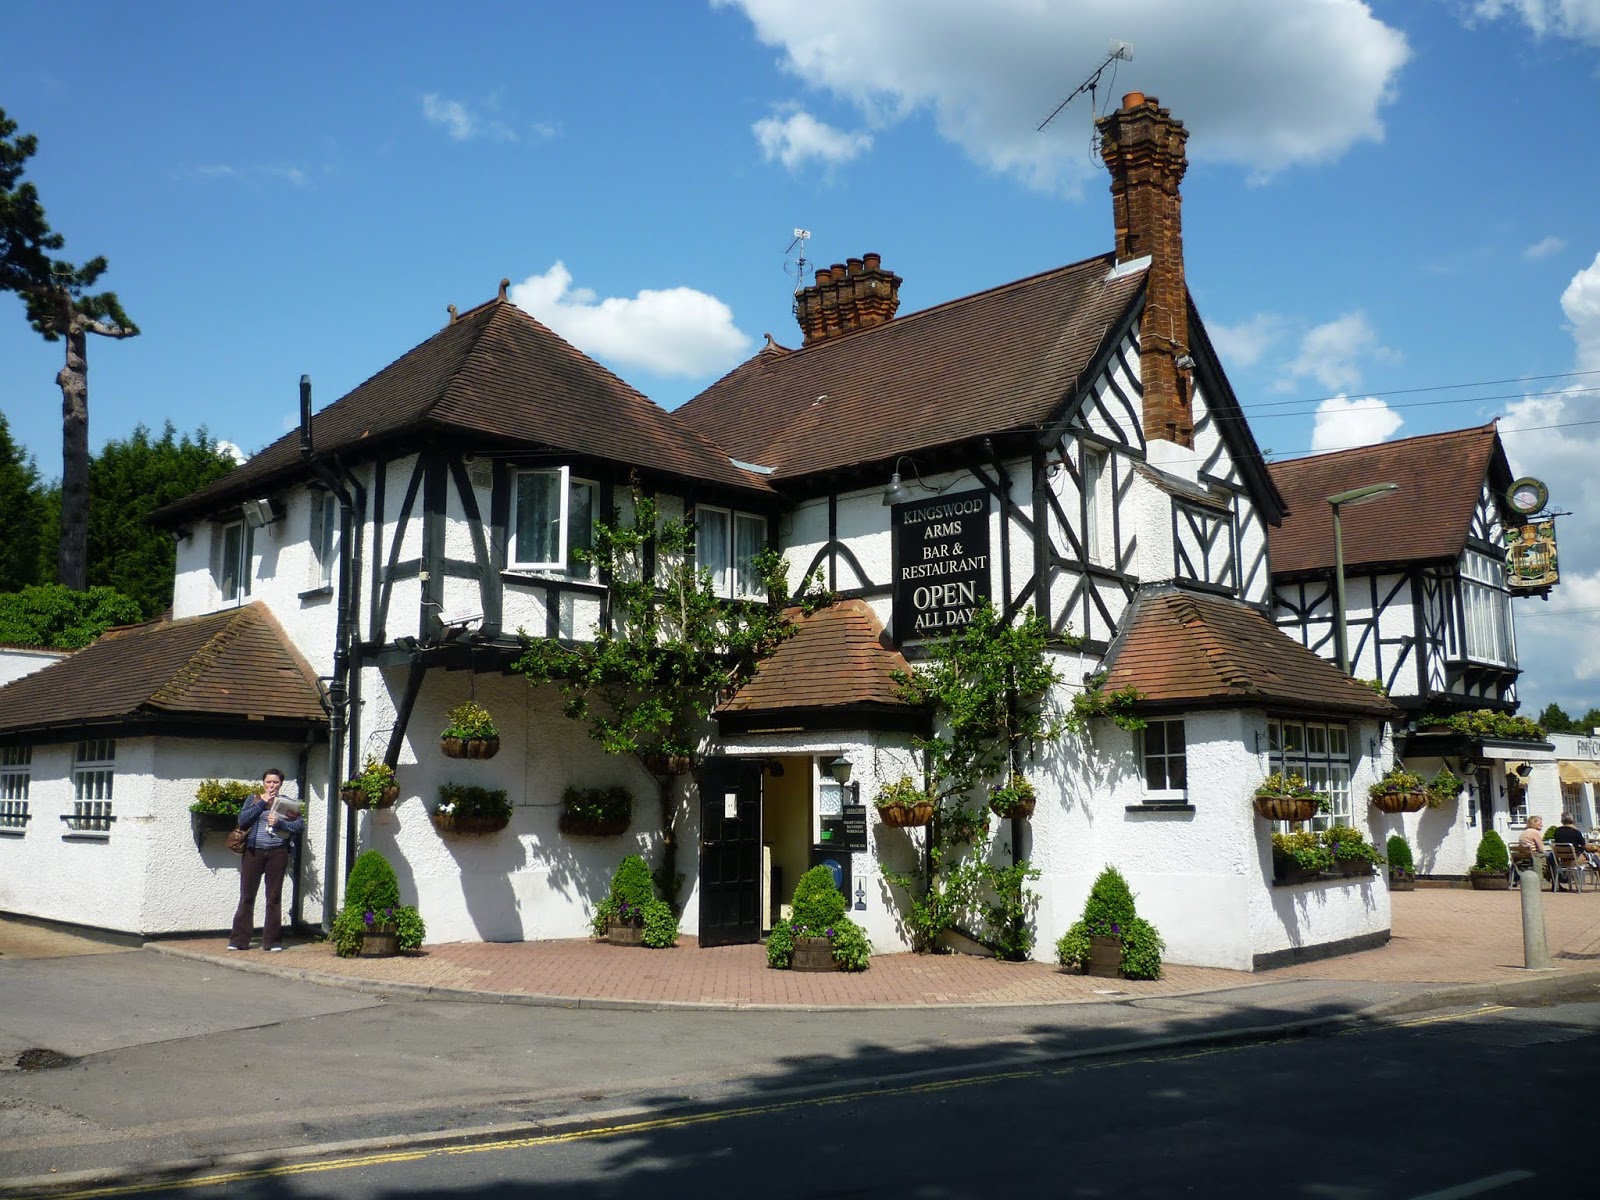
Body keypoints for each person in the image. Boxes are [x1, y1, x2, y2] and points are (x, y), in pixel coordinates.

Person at [228, 768, 305, 952]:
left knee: (273, 897)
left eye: (275, 782)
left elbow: (299, 825)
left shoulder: (287, 803)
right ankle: (239, 940)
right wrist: (262, 803)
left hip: (277, 852)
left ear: (281, 784)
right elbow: (243, 820)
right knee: (247, 896)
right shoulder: (254, 799)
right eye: (269, 782)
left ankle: (272, 941)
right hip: (254, 852)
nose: (272, 785)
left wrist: (280, 823)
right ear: (263, 783)